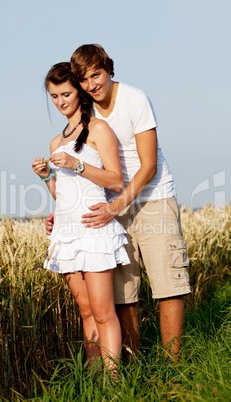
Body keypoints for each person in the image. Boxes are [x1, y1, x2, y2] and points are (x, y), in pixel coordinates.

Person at [45, 45, 191, 360]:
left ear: (109, 70)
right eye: (83, 80)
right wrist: (66, 213)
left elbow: (148, 165)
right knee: (123, 292)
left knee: (168, 284)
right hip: (109, 206)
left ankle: (174, 367)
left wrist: (115, 205)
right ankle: (134, 365)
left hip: (153, 196)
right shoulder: (86, 111)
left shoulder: (134, 99)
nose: (91, 84)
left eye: (96, 75)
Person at [32, 62, 131, 371]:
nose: (60, 102)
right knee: (86, 311)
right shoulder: (56, 141)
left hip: (94, 229)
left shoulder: (99, 129)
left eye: (65, 93)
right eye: (53, 96)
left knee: (103, 312)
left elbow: (116, 181)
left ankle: (114, 385)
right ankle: (92, 380)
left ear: (79, 91)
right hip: (67, 233)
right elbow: (63, 195)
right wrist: (47, 176)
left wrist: (77, 165)